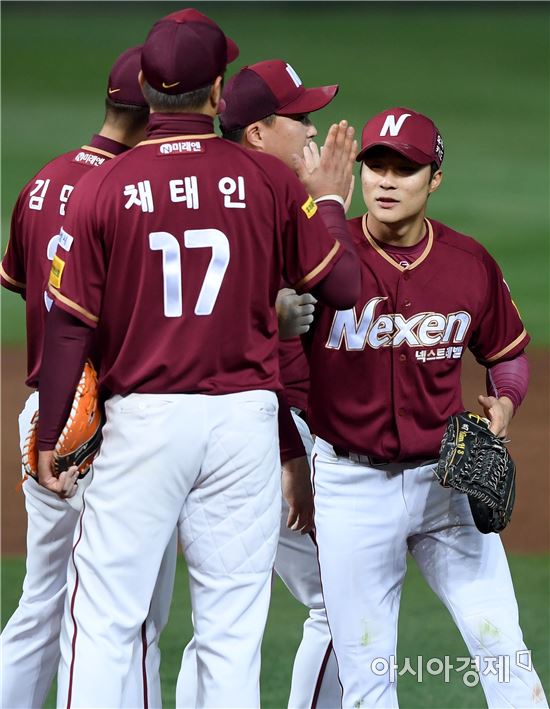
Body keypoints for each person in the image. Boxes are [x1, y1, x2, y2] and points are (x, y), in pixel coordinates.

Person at [35, 9, 360, 708]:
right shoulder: (268, 180)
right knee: (231, 632)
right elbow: (341, 286)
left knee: (105, 620)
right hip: (244, 425)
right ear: (217, 91)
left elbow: (67, 327)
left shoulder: (104, 186)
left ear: (147, 90)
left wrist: (49, 433)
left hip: (144, 424)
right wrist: (330, 203)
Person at [303, 106, 548, 708]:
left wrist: (505, 402)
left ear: (434, 179)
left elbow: (508, 355)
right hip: (351, 488)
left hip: (447, 484)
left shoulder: (468, 262)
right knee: (368, 675)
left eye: (404, 169)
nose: (386, 182)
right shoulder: (324, 256)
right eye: (376, 166)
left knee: (503, 646)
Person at [0, 46, 178, 709]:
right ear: (155, 111)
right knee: (128, 618)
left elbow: (27, 287)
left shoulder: (43, 182)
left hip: (48, 415)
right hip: (112, 427)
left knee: (41, 600)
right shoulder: (130, 196)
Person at [175, 58, 345, 709]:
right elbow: (339, 288)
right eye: (300, 118)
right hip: (264, 435)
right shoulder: (271, 200)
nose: (314, 130)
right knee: (342, 602)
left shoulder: (210, 194)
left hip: (199, 433)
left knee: (218, 615)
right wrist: (327, 206)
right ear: (257, 132)